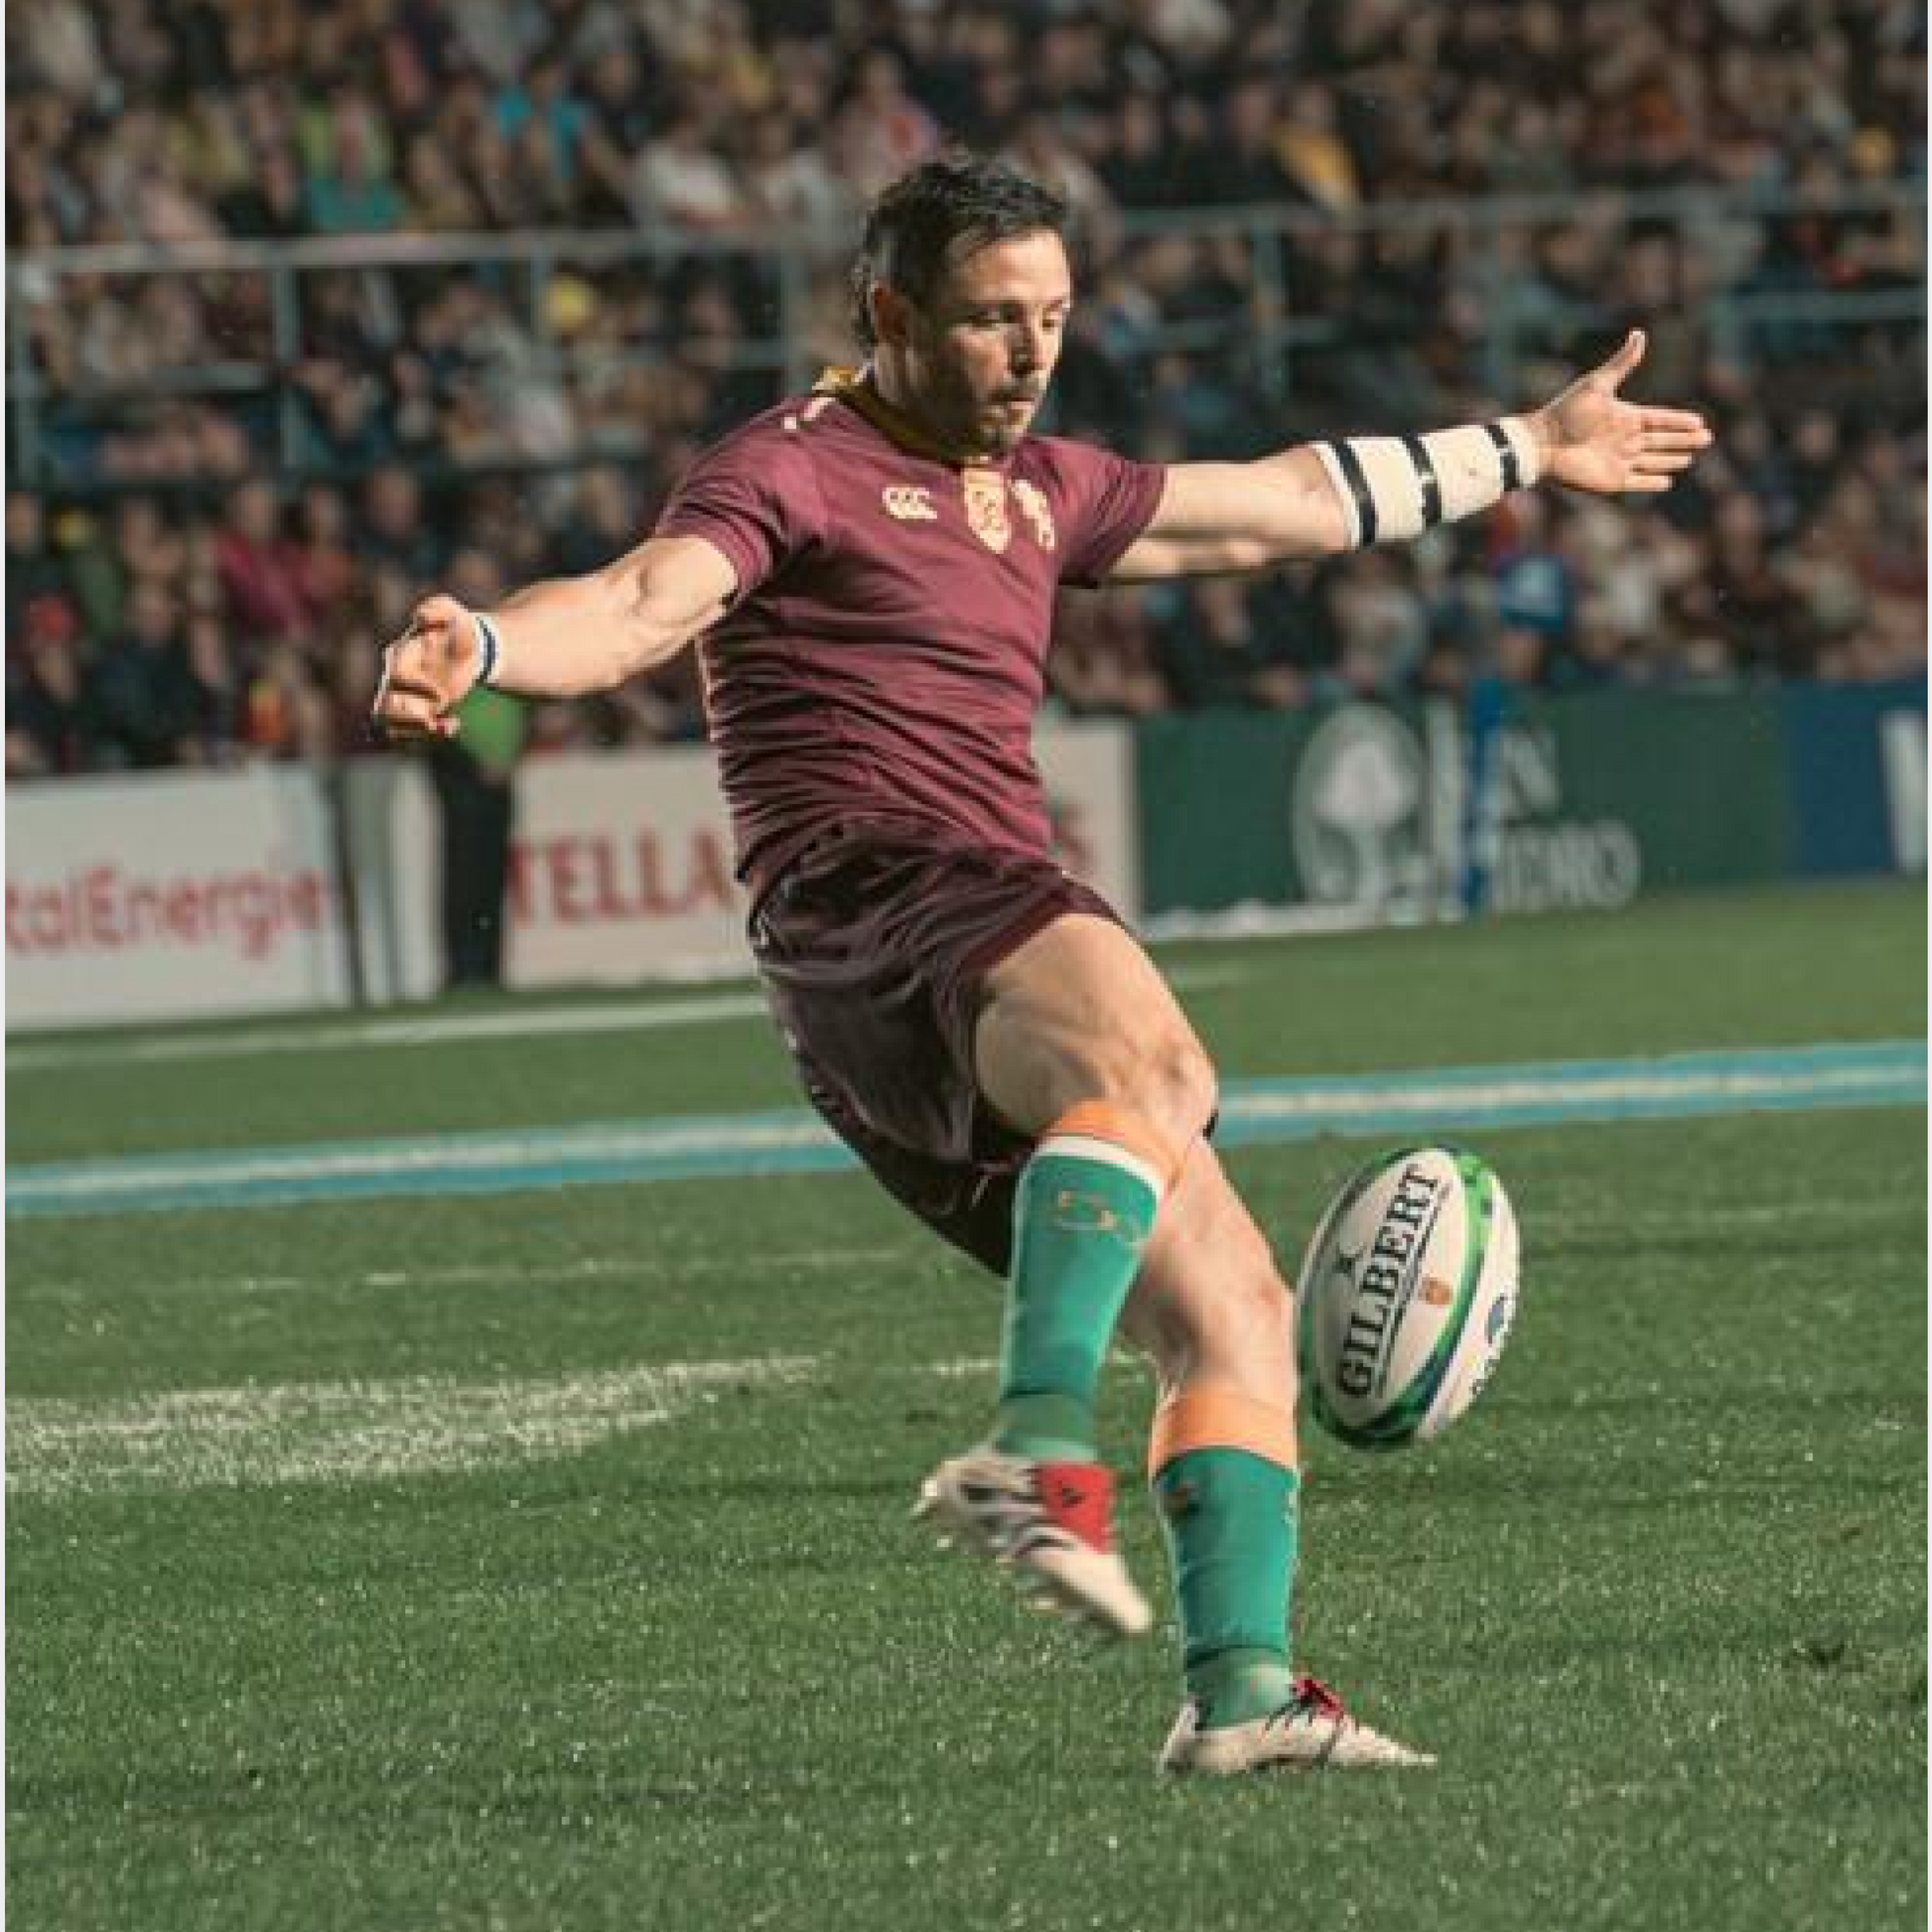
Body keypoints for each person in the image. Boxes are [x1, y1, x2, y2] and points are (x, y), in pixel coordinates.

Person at [374, 157, 1711, 1775]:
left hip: (892, 980)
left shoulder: (1039, 489)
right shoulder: (791, 467)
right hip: (884, 893)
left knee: (1233, 1309)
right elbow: (642, 605)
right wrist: (489, 645)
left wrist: (1529, 448)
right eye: (992, 320)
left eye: (1054, 317)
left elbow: (1281, 500)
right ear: (888, 313)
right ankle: (1029, 1450)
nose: (1030, 355)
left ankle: (1240, 1689)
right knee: (1156, 1067)